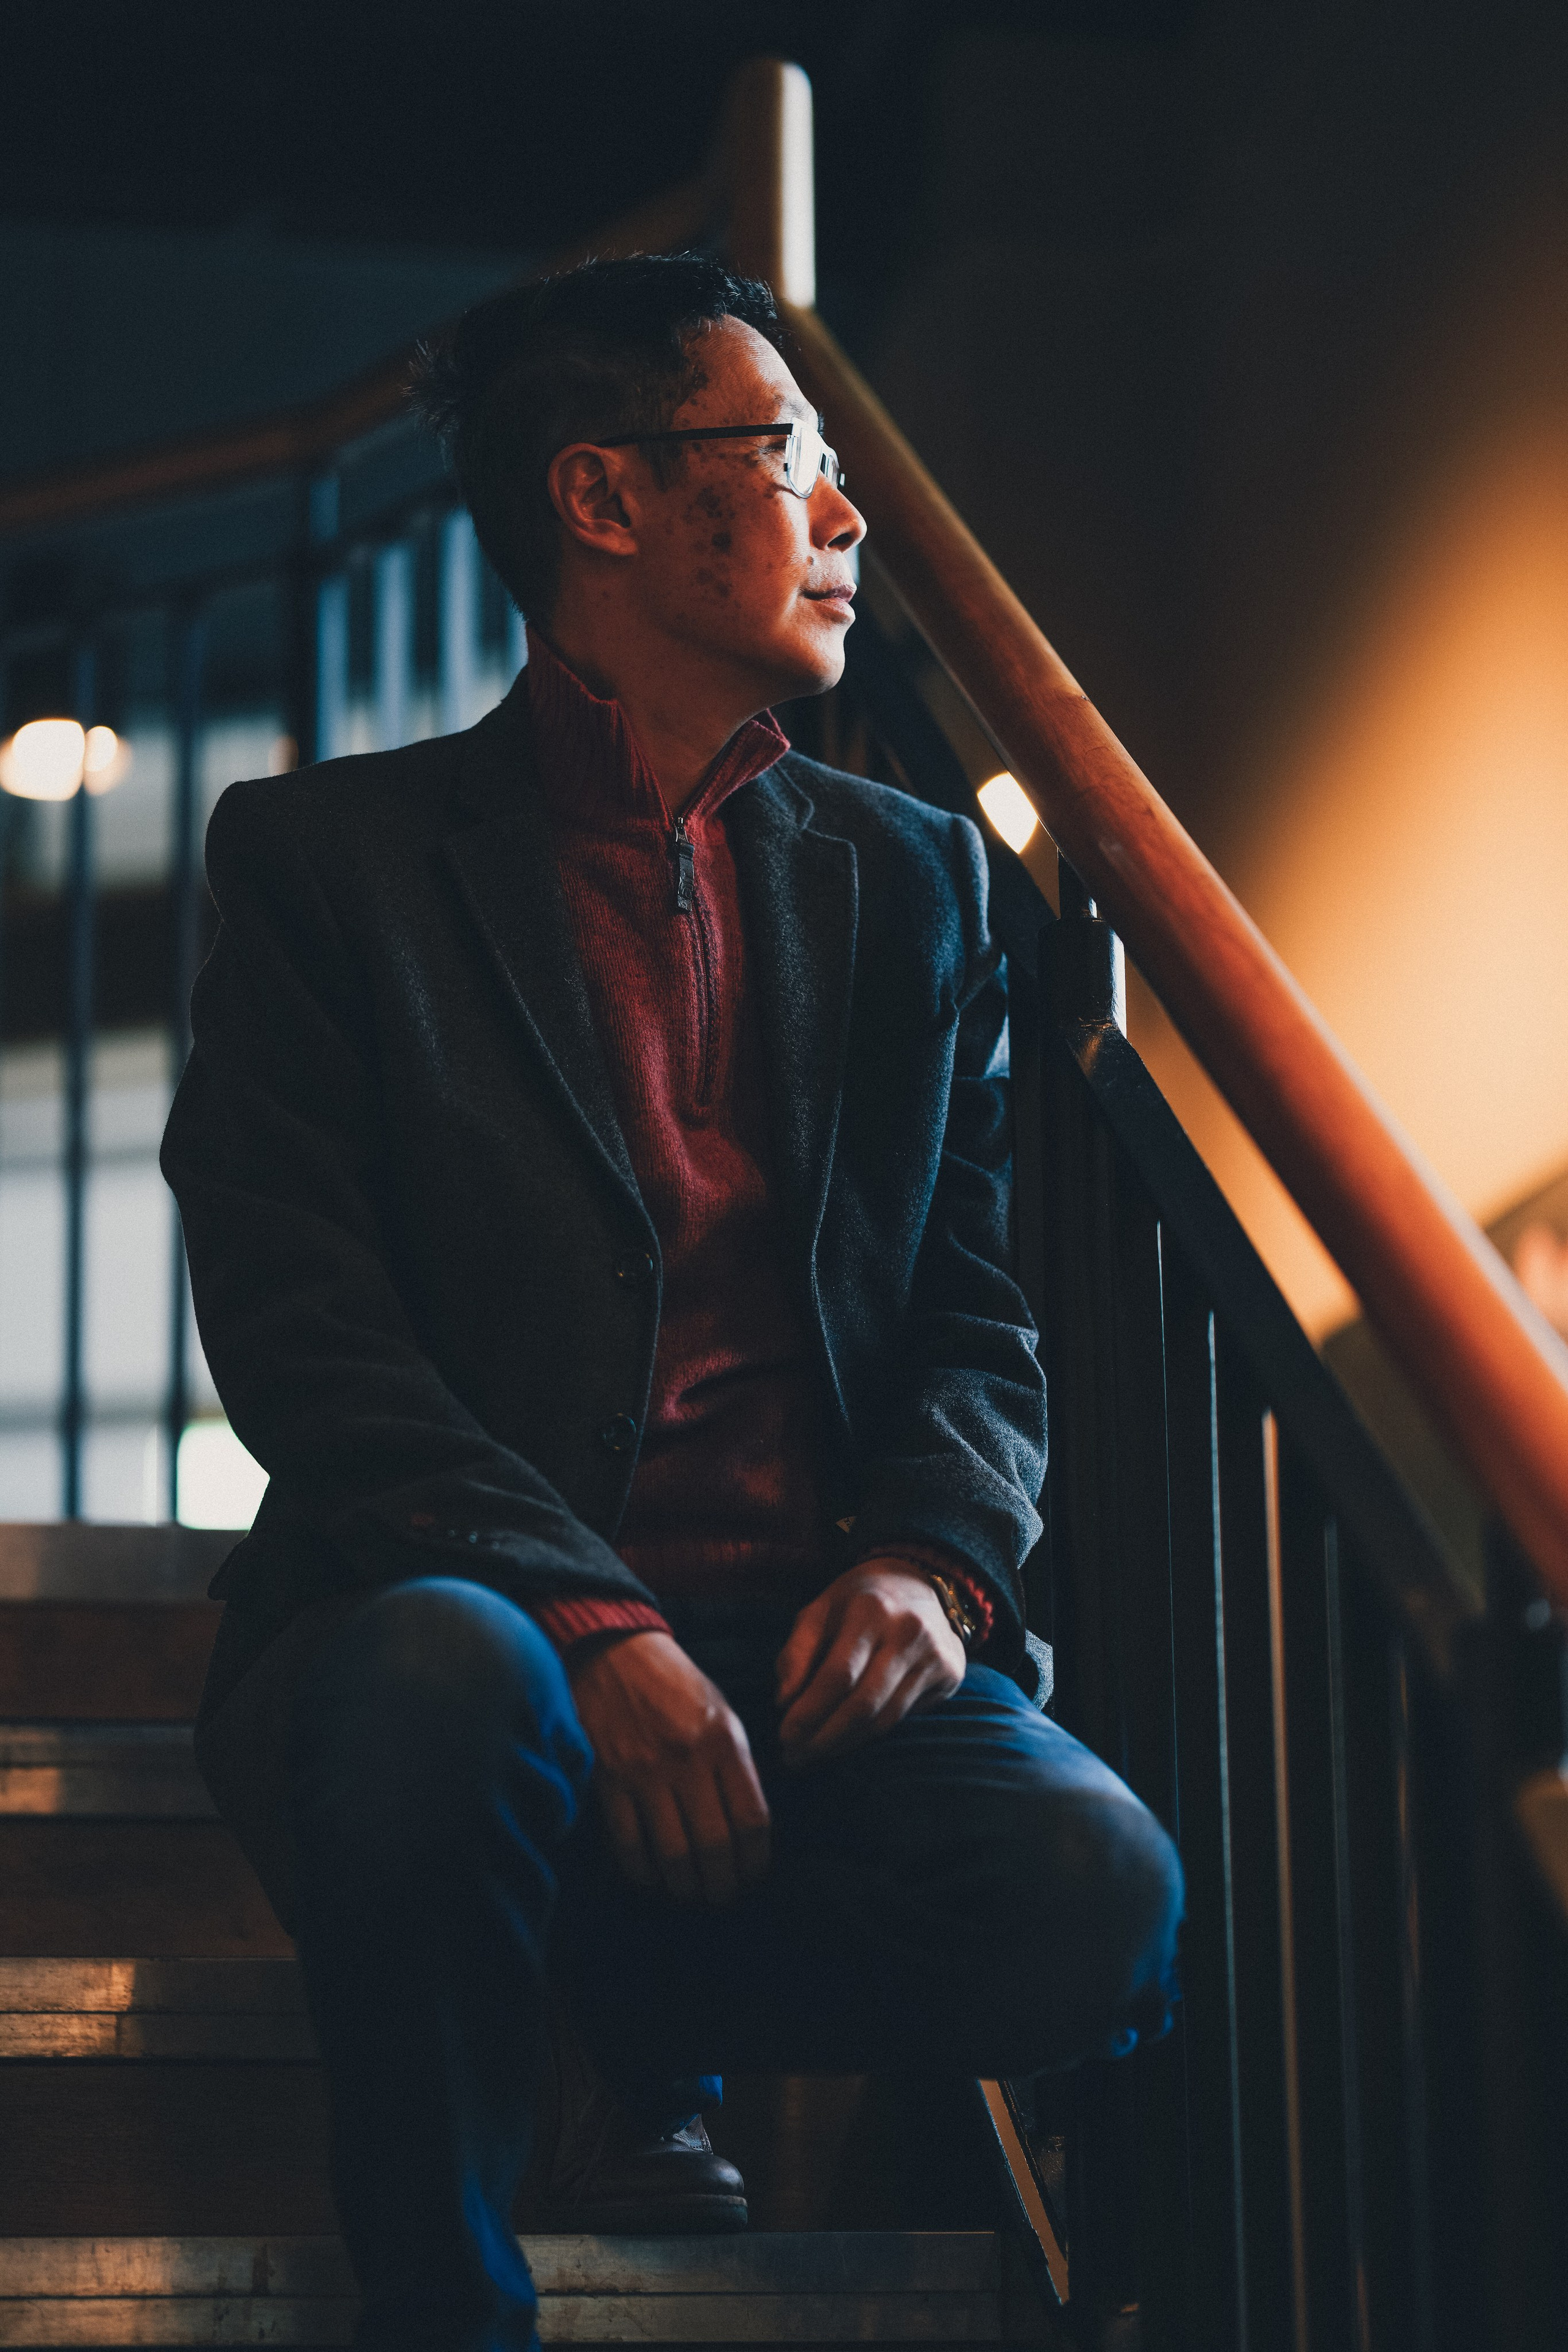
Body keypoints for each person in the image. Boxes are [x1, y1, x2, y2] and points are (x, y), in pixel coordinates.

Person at [163, 251, 1182, 2352]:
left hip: (801, 1661)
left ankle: (605, 2013)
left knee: (1099, 1894)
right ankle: (448, 2304)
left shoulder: (906, 878)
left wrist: (931, 1561)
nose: (850, 511)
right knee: (452, 1685)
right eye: (793, 454)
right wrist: (590, 1620)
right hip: (447, 1633)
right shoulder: (323, 863)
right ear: (606, 500)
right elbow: (301, 1328)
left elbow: (972, 1310)